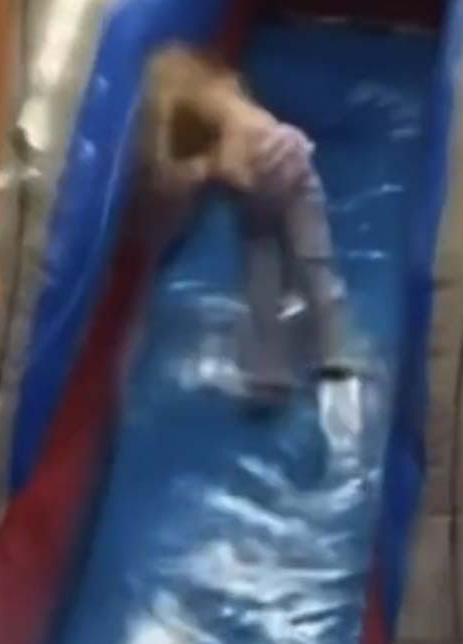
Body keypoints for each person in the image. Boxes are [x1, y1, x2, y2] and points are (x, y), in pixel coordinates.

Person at [137, 44, 353, 398]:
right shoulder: (218, 110)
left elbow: (237, 173)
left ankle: (334, 351)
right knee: (263, 282)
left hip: (296, 190)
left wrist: (200, 169)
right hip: (258, 204)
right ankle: (270, 369)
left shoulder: (237, 121)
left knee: (312, 268)